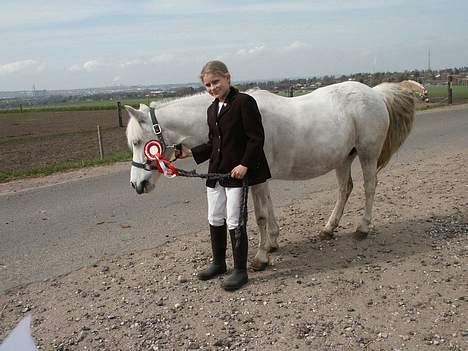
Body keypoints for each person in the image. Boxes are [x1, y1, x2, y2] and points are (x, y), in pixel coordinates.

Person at [176, 60, 271, 291]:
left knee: (235, 219)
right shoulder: (212, 109)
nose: (212, 88)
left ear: (228, 77)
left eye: (216, 82)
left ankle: (240, 271)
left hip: (237, 175)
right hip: (216, 173)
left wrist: (245, 164)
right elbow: (214, 143)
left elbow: (256, 138)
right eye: (207, 85)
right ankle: (219, 263)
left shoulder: (244, 103)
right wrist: (191, 152)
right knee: (215, 217)